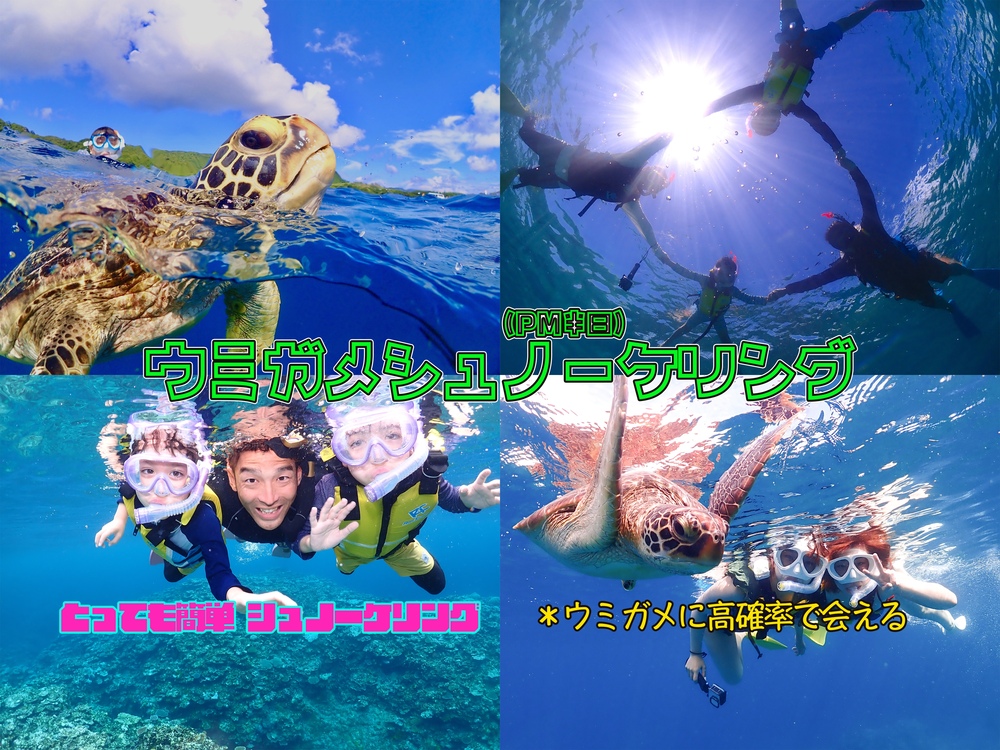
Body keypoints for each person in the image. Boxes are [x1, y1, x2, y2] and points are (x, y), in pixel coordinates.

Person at [767, 153, 1000, 336]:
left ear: (852, 228)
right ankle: (951, 307)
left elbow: (866, 196)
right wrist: (786, 290)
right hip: (905, 288)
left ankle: (970, 272)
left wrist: (853, 169)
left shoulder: (871, 229)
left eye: (848, 235)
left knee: (951, 271)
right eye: (843, 243)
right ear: (840, 250)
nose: (849, 241)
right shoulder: (848, 265)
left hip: (917, 264)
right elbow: (816, 281)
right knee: (932, 301)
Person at [94, 403, 296, 612]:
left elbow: (219, 572)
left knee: (171, 575)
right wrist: (118, 520)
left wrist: (238, 597)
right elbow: (126, 495)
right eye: (147, 471)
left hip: (192, 551)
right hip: (163, 537)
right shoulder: (131, 486)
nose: (159, 489)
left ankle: (231, 534)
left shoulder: (202, 521)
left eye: (176, 474)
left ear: (193, 479)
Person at [298, 388, 500, 594]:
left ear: (412, 446)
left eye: (392, 435)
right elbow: (302, 533)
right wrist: (310, 544)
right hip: (349, 553)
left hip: (399, 549)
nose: (377, 456)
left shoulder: (426, 476)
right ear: (343, 457)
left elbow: (453, 500)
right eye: (357, 442)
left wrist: (468, 501)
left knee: (437, 585)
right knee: (346, 570)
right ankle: (347, 565)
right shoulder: (330, 487)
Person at [705, 0, 925, 139]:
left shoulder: (759, 93)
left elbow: (725, 101)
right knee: (843, 26)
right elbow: (819, 125)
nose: (771, 117)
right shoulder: (795, 106)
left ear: (757, 112)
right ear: (779, 121)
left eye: (764, 119)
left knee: (787, 7)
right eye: (774, 123)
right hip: (814, 47)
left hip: (791, 39)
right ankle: (876, 5)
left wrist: (699, 115)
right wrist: (838, 150)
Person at [502, 83, 671, 251]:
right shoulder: (633, 162)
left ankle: (519, 170)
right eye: (655, 177)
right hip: (561, 153)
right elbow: (656, 143)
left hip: (558, 180)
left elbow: (645, 227)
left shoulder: (630, 200)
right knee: (524, 133)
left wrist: (660, 254)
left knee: (523, 176)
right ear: (648, 169)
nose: (652, 183)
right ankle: (529, 117)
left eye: (656, 186)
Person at [685, 535, 828, 686]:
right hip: (719, 627)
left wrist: (799, 640)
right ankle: (739, 635)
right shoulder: (740, 587)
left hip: (756, 617)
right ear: (774, 558)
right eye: (788, 558)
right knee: (734, 677)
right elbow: (699, 607)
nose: (797, 570)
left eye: (809, 563)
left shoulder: (807, 591)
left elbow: (799, 613)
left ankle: (747, 630)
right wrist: (695, 654)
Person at [822, 526, 967, 633]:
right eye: (840, 566)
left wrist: (899, 587)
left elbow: (950, 600)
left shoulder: (885, 582)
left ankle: (951, 626)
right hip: (851, 614)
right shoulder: (820, 586)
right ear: (829, 570)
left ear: (874, 564)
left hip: (877, 606)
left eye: (861, 563)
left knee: (921, 611)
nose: (852, 576)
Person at [654, 252, 767, 345]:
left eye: (727, 276)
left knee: (726, 340)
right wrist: (669, 262)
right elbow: (686, 273)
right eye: (721, 273)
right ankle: (665, 344)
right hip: (701, 313)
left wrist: (769, 298)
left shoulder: (732, 290)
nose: (722, 279)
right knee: (684, 329)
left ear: (732, 277)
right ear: (715, 272)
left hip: (718, 318)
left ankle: (736, 361)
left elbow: (750, 299)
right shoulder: (705, 280)